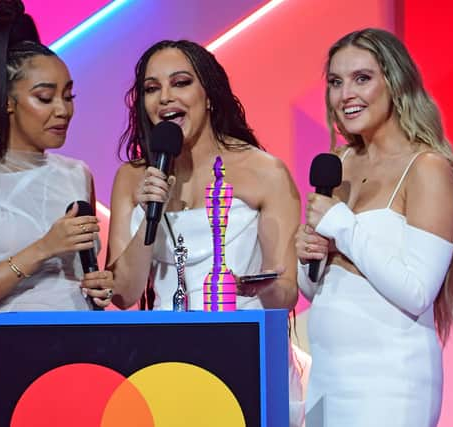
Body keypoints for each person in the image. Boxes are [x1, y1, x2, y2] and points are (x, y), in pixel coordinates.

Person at [105, 39, 306, 425]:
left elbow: (286, 292)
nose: (165, 98)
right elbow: (125, 293)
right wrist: (152, 210)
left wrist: (256, 286)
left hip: (244, 354)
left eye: (180, 83)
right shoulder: (133, 178)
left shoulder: (264, 172)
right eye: (151, 88)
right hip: (162, 362)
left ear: (209, 96)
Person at [0, 1, 113, 425]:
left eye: (68, 96)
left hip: (72, 362)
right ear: (8, 101)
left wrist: (98, 285)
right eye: (45, 97)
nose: (63, 110)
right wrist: (42, 250)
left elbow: (82, 277)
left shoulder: (79, 174)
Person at [295, 28, 453, 426]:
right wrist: (308, 256)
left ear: (395, 83)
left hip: (391, 382)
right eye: (336, 82)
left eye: (362, 78)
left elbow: (418, 291)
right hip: (327, 377)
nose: (346, 95)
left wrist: (342, 226)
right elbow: (315, 289)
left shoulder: (426, 169)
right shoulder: (339, 163)